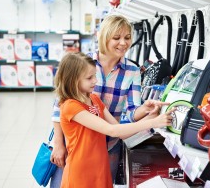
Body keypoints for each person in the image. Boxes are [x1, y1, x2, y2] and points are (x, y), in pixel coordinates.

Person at [50, 14, 165, 187]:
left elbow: (130, 113)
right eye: (116, 38)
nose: (123, 43)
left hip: (107, 147)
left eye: (127, 38)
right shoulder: (83, 63)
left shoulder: (132, 71)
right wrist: (58, 144)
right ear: (104, 37)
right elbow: (59, 107)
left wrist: (147, 111)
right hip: (74, 146)